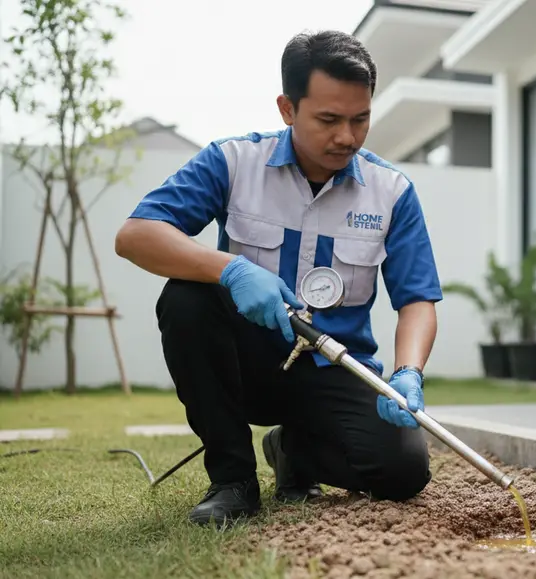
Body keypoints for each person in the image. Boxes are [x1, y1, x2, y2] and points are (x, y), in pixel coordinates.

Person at [113, 29, 442, 527]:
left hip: (335, 368)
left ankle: (292, 451)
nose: (347, 137)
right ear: (288, 108)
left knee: (404, 469)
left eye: (361, 119)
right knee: (187, 300)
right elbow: (136, 235)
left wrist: (408, 372)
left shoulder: (392, 192)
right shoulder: (233, 162)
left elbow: (416, 298)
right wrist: (232, 268)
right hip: (246, 367)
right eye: (329, 119)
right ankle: (233, 480)